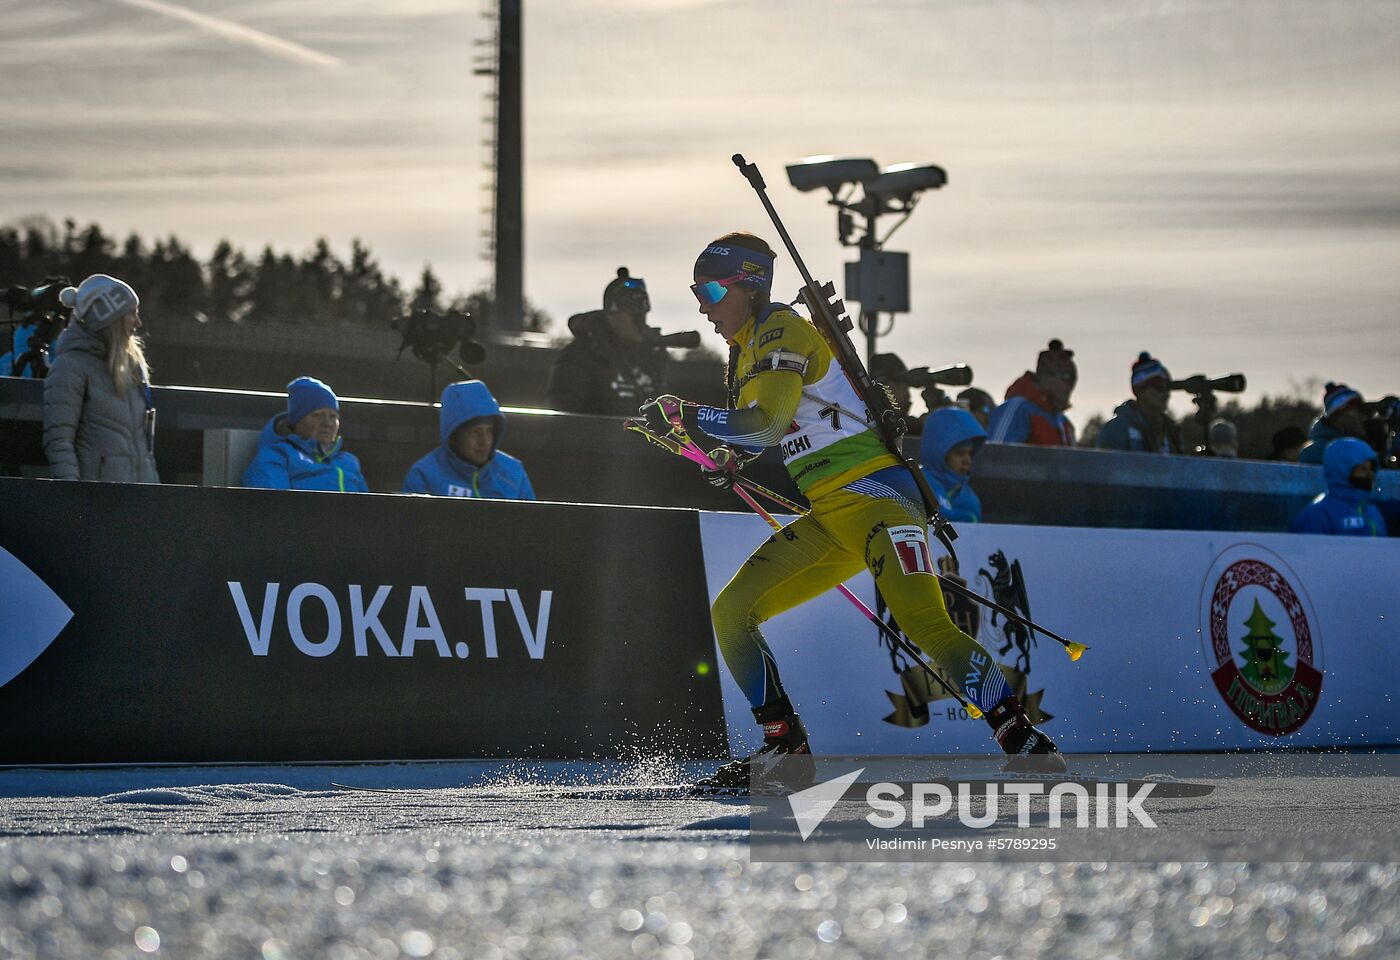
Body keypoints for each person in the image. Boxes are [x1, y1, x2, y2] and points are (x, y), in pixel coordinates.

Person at [640, 231, 1063, 788]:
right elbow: (763, 434)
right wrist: (715, 453)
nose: (702, 304)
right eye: (697, 290)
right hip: (831, 515)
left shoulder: (779, 329)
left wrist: (688, 415)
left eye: (713, 289)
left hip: (878, 502)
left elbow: (765, 424)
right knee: (731, 612)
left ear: (751, 284)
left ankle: (1025, 739)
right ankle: (784, 748)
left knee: (927, 625)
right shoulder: (746, 351)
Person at [41, 274, 159, 483]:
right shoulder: (70, 366)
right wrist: (73, 496)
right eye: (131, 313)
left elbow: (144, 445)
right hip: (96, 501)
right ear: (109, 318)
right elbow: (58, 441)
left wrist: (153, 489)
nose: (138, 322)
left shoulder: (132, 367)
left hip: (140, 500)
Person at [547, 267, 670, 417]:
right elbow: (563, 419)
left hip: (640, 440)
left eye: (642, 314)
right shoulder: (579, 356)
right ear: (612, 314)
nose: (639, 321)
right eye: (632, 313)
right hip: (595, 439)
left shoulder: (650, 357)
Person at [402, 380, 536, 500]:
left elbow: (531, 524)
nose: (484, 441)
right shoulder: (424, 475)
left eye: (489, 431)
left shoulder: (514, 472)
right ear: (454, 436)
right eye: (475, 432)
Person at [241, 376, 368, 492]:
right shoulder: (277, 457)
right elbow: (273, 508)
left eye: (333, 416)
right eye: (317, 415)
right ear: (297, 420)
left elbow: (369, 508)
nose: (327, 423)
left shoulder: (349, 461)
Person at [987, 339, 1077, 446]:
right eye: (1064, 379)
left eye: (1072, 381)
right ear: (1046, 377)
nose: (1068, 387)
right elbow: (995, 455)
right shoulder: (1018, 410)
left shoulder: (1063, 423)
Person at [1289, 438, 1387, 536]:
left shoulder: (1372, 512)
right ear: (1342, 470)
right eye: (1363, 468)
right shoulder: (1316, 515)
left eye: (1371, 468)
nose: (1370, 474)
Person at [1095, 352, 1183, 455]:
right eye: (1159, 387)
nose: (1166, 394)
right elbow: (1107, 468)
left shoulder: (1172, 431)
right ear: (1139, 390)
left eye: (1168, 388)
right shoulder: (1117, 429)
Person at [920, 406, 987, 523]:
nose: (967, 461)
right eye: (960, 453)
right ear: (940, 452)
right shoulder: (916, 485)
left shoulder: (970, 498)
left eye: (970, 453)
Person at [1298, 382, 1367, 465]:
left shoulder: (1360, 442)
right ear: (1334, 419)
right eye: (1348, 416)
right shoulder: (1316, 451)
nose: (1357, 421)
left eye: (1360, 414)